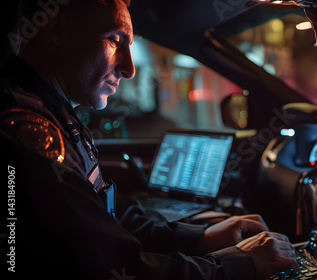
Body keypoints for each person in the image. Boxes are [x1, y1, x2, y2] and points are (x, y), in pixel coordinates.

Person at [0, 0, 298, 279]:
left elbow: (104, 213)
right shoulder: (29, 131)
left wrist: (202, 237)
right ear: (58, 29)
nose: (128, 68)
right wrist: (235, 265)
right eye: (114, 40)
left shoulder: (55, 113)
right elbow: (117, 268)